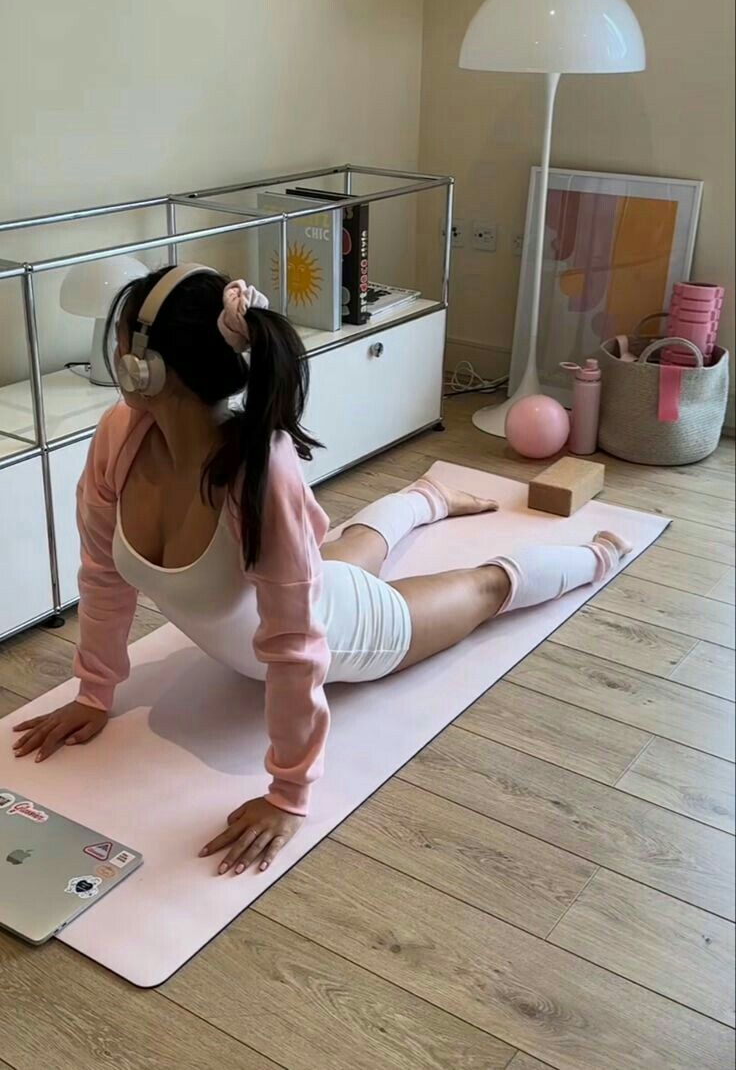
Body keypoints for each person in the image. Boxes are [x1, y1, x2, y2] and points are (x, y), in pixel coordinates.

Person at [12, 265, 630, 876]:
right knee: (351, 545)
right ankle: (427, 500)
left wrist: (288, 793)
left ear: (143, 362)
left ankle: (599, 553)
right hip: (285, 605)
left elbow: (298, 645)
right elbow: (102, 573)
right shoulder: (119, 436)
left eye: (119, 334)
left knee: (484, 588)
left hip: (345, 632)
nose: (112, 346)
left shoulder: (259, 470)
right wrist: (95, 693)